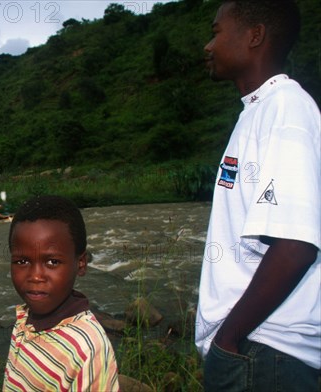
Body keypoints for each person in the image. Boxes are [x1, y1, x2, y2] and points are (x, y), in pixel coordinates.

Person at [195, 1, 320, 390]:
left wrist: (229, 340)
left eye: (216, 32)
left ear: (255, 36)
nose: (207, 46)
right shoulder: (258, 111)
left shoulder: (285, 109)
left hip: (265, 354)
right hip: (255, 351)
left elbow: (296, 243)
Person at [3, 195, 119, 391]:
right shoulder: (24, 318)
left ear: (80, 264)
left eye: (52, 262)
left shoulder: (88, 349)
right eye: (22, 262)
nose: (36, 276)